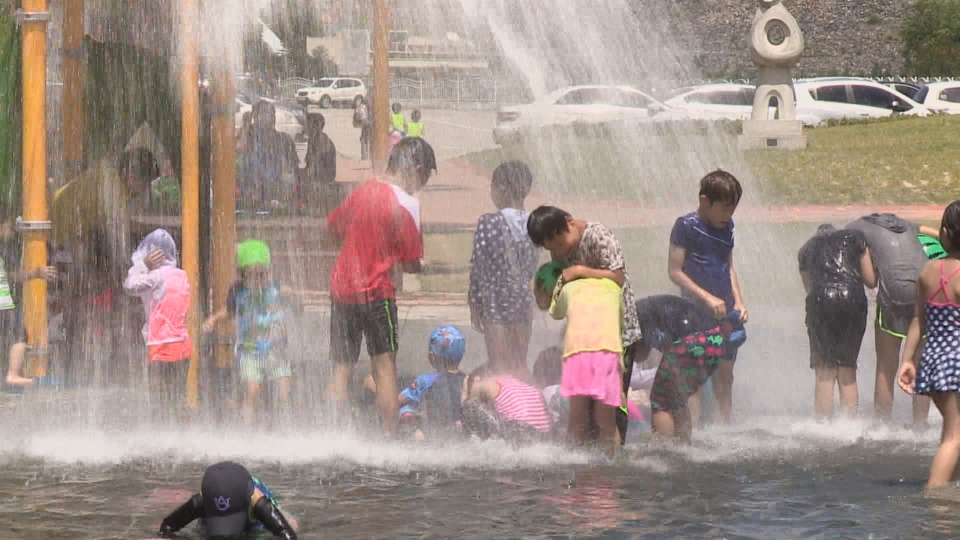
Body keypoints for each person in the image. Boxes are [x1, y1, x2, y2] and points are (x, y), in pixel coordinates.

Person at [327, 138, 436, 433]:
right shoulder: (407, 203)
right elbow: (411, 262)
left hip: (342, 290)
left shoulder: (363, 191)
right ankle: (389, 435)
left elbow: (333, 228)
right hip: (377, 294)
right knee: (385, 368)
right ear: (417, 168)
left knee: (341, 368)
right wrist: (423, 265)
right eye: (425, 178)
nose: (421, 186)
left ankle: (331, 431)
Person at [526, 205, 643, 445]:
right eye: (552, 249)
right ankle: (588, 459)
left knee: (612, 405)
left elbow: (617, 277)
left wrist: (581, 271)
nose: (559, 252)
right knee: (584, 411)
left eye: (560, 243)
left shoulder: (599, 236)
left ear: (569, 222)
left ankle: (614, 456)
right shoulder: (559, 252)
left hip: (617, 335)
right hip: (585, 336)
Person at [667, 169, 747, 425]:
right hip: (696, 313)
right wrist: (708, 298)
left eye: (732, 209)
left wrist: (739, 301)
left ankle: (724, 428)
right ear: (704, 200)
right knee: (696, 378)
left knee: (725, 377)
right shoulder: (685, 226)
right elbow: (675, 271)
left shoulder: (728, 227)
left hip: (727, 312)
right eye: (724, 209)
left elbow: (729, 267)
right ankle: (694, 431)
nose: (728, 215)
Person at [847, 213, 941, 424]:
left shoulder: (859, 227)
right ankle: (920, 426)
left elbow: (870, 280)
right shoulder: (905, 225)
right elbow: (935, 233)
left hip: (894, 298)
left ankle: (883, 424)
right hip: (923, 292)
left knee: (886, 366)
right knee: (920, 363)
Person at [897, 201, 960, 490]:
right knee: (954, 435)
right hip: (956, 362)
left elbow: (918, 321)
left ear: (943, 234)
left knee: (953, 430)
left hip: (933, 361)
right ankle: (934, 497)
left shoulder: (927, 272)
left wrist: (908, 360)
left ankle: (951, 485)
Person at [534, 261, 623, 455]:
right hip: (607, 353)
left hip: (577, 353)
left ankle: (571, 459)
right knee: (607, 423)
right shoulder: (614, 288)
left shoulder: (569, 288)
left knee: (576, 422)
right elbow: (619, 326)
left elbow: (555, 312)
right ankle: (611, 460)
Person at [202, 240, 293, 425]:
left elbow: (292, 304)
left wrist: (293, 297)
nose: (259, 280)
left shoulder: (275, 289)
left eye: (262, 275)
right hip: (250, 352)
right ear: (242, 275)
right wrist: (213, 319)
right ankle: (247, 426)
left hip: (276, 351)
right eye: (253, 276)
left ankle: (283, 424)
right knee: (252, 391)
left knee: (284, 390)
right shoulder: (238, 292)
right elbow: (228, 311)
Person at [634, 295, 743, 439]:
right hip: (716, 340)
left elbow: (642, 353)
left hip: (693, 341)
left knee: (661, 400)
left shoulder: (635, 319)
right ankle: (683, 444)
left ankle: (663, 446)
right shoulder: (646, 310)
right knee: (678, 397)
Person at [797, 224, 877, 418]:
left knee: (824, 368)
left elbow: (809, 288)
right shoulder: (855, 237)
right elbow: (871, 280)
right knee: (847, 367)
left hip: (821, 301)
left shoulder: (806, 249)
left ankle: (823, 424)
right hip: (852, 300)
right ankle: (848, 424)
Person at [468, 161, 539, 375]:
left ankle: (503, 397)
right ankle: (526, 395)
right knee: (519, 364)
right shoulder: (534, 223)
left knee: (498, 365)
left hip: (495, 301)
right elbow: (532, 265)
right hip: (522, 299)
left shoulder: (489, 222)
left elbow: (479, 266)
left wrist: (474, 303)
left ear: (502, 189)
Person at [122, 229, 191, 415]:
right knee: (177, 397)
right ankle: (177, 427)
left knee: (159, 398)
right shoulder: (182, 275)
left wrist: (143, 266)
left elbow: (128, 286)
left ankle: (161, 427)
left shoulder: (155, 276)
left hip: (161, 344)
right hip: (183, 344)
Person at [157, 461, 297, 539]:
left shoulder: (258, 502)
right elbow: (166, 528)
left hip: (254, 522)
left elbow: (288, 535)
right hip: (211, 519)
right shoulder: (203, 500)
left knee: (292, 523)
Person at [395, 325, 467, 438]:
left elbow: (397, 401)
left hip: (434, 433)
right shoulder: (467, 381)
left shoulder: (425, 381)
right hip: (460, 431)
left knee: (406, 410)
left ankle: (418, 438)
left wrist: (376, 389)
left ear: (432, 357)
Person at [462, 364, 553, 440]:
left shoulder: (491, 383)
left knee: (469, 406)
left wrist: (465, 390)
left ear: (477, 379)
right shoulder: (518, 383)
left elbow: (471, 393)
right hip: (544, 435)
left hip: (519, 431)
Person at [240, 101, 299, 211]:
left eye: (272, 114)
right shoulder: (249, 142)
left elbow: (293, 171)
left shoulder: (285, 141)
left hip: (278, 196)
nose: (270, 118)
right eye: (264, 114)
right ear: (256, 119)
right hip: (254, 198)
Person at [299, 112, 337, 216]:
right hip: (319, 180)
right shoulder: (314, 140)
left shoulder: (321, 142)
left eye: (307, 125)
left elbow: (314, 168)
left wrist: (305, 178)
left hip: (322, 182)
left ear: (314, 127)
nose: (304, 128)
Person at [353, 95, 371, 161]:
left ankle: (365, 156)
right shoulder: (363, 107)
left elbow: (360, 118)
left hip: (366, 124)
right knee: (365, 139)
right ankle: (365, 156)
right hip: (366, 125)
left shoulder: (362, 107)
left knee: (365, 140)